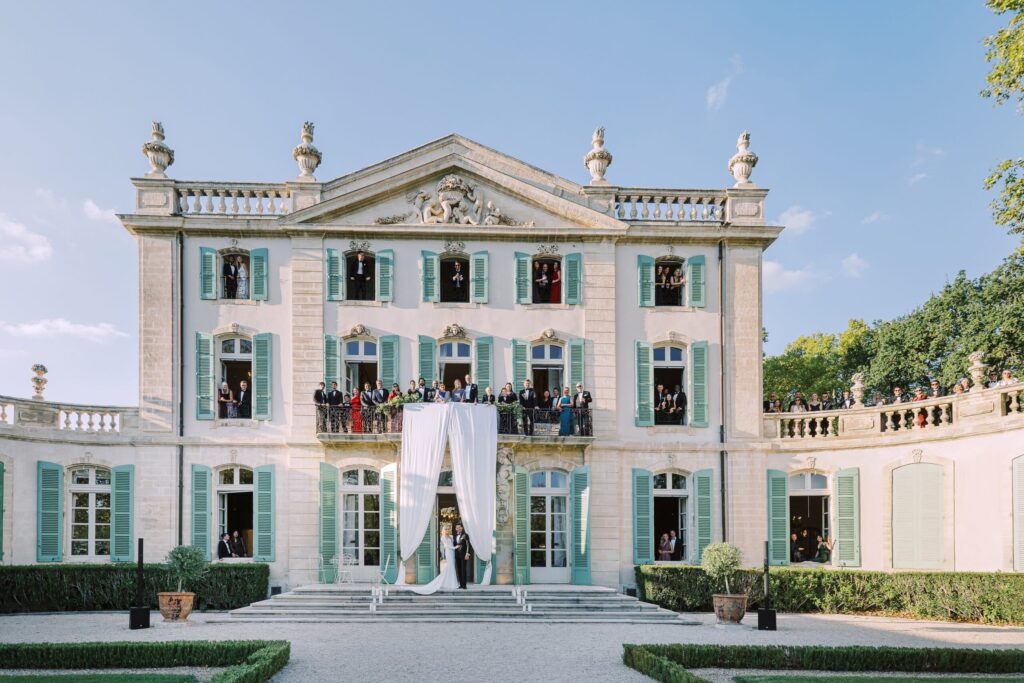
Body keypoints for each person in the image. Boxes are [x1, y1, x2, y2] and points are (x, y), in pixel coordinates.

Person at [405, 524, 460, 595]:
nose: (447, 530)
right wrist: (455, 548)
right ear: (443, 530)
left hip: (452, 553)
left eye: (448, 529)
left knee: (452, 567)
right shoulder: (443, 537)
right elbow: (447, 546)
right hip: (448, 552)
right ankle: (450, 583)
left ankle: (451, 583)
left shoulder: (451, 536)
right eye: (446, 529)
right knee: (450, 566)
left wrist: (455, 548)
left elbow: (453, 544)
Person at [452, 523, 472, 589]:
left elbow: (468, 545)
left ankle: (464, 585)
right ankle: (460, 585)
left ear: (461, 528)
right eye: (456, 528)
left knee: (463, 570)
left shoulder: (465, 535)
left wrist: (467, 553)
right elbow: (454, 545)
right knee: (459, 570)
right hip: (457, 555)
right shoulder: (455, 536)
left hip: (464, 555)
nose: (457, 529)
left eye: (459, 527)